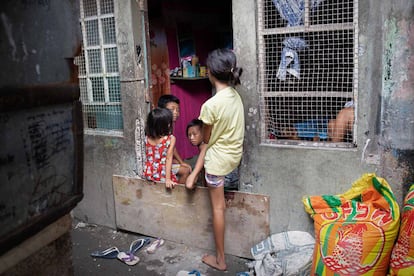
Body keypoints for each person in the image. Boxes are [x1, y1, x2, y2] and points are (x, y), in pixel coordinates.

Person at [198, 48, 244, 271]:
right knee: (223, 199)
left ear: (210, 73)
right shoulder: (235, 96)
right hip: (234, 159)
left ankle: (220, 260)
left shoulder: (211, 105)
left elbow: (205, 138)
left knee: (218, 209)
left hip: (217, 163)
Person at [157, 94, 192, 182]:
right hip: (158, 164)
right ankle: (177, 193)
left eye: (177, 110)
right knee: (186, 170)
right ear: (162, 110)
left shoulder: (169, 124)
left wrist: (181, 162)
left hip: (164, 159)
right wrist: (181, 163)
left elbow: (172, 147)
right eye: (172, 109)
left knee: (181, 163)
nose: (176, 113)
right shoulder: (160, 126)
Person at [142, 107, 178, 189]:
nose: (170, 124)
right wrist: (168, 179)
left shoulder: (147, 138)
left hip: (148, 173)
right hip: (162, 174)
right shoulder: (170, 139)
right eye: (168, 123)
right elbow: (168, 159)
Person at [185, 119, 207, 189]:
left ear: (203, 133)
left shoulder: (205, 148)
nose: (191, 138)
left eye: (194, 134)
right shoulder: (202, 148)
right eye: (189, 135)